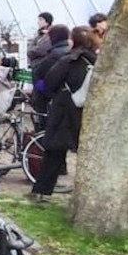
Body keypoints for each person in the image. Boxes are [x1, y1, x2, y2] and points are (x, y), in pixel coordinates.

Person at [31, 26, 97, 201]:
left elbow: (49, 84)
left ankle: (41, 191)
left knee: (53, 153)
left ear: (72, 40)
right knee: (89, 154)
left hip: (63, 111)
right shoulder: (96, 61)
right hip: (88, 112)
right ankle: (89, 194)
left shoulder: (67, 61)